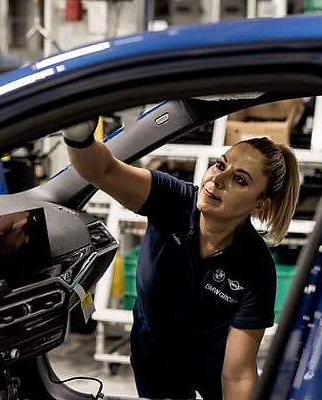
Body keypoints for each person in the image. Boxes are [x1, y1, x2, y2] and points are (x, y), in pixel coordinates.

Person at [63, 117, 301, 400]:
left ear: (259, 204)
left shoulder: (255, 266)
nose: (217, 179)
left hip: (213, 363)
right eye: (220, 164)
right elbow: (103, 170)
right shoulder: (172, 200)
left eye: (239, 179)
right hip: (154, 353)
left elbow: (237, 373)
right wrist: (78, 136)